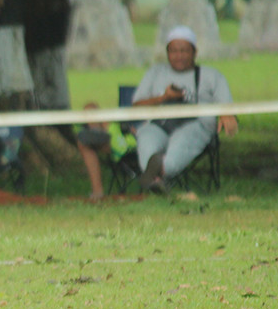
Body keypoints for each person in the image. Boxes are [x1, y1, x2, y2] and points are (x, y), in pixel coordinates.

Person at [132, 25, 237, 194]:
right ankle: (156, 176)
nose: (178, 56)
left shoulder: (211, 76)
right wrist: (164, 98)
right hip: (159, 124)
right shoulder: (155, 73)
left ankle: (157, 173)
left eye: (184, 51)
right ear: (167, 53)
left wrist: (227, 115)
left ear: (194, 52)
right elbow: (136, 106)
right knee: (146, 137)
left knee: (183, 140)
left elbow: (227, 105)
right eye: (173, 51)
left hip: (195, 125)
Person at [76, 101, 136, 200]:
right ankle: (97, 132)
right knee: (90, 108)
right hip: (117, 136)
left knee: (90, 109)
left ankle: (97, 132)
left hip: (131, 143)